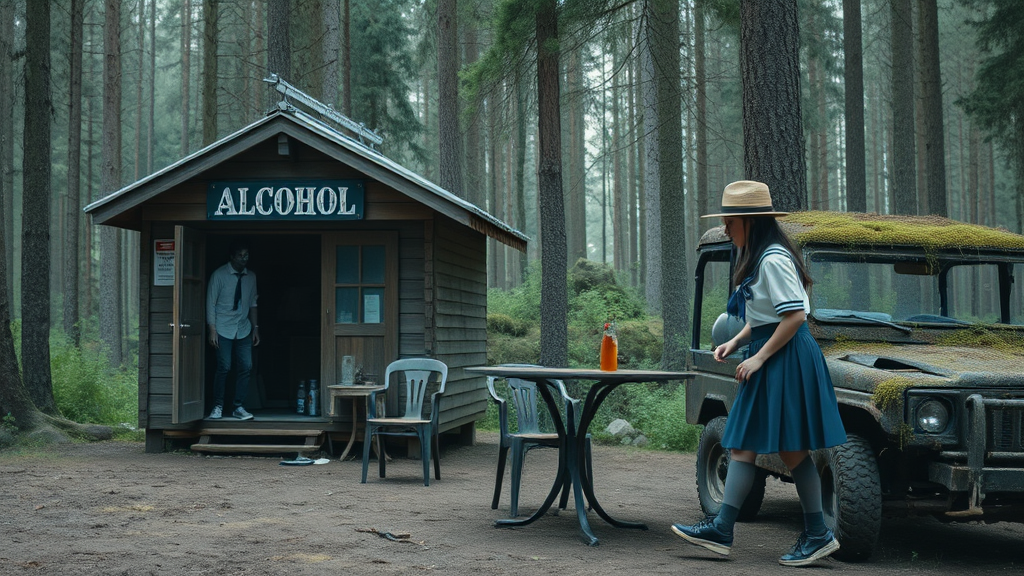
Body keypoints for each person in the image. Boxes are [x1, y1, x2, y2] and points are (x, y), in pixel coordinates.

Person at [671, 180, 847, 567]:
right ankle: (725, 529)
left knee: (786, 449)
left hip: (785, 356)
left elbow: (796, 317)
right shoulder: (763, 256)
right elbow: (767, 317)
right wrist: (736, 343)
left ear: (748, 222)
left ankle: (811, 534)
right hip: (775, 353)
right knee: (748, 445)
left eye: (730, 222)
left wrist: (759, 358)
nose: (726, 230)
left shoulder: (773, 260)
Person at [206, 239, 260, 420]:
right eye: (240, 256)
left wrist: (255, 328)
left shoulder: (251, 277)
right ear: (232, 256)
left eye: (246, 255)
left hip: (243, 327)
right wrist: (212, 329)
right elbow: (210, 303)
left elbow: (253, 303)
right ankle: (218, 406)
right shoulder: (219, 275)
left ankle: (238, 406)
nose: (244, 259)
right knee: (224, 367)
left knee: (246, 366)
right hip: (222, 327)